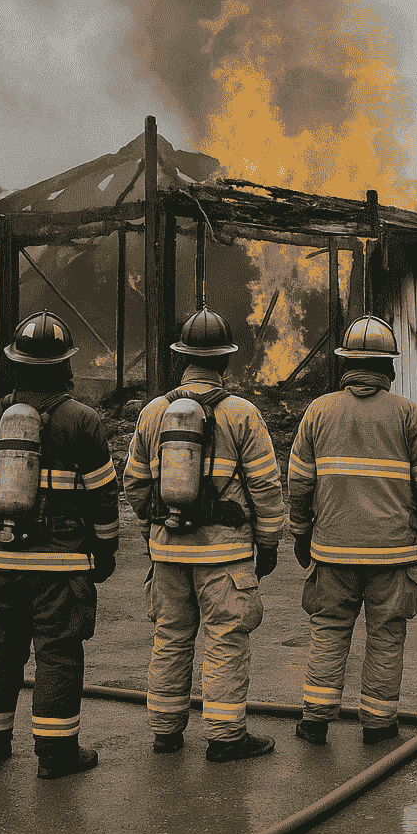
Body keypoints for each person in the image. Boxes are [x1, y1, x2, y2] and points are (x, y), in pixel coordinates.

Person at [0, 310, 120, 779]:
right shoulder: (83, 422)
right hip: (61, 566)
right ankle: (55, 755)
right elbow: (103, 499)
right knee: (59, 653)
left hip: (0, 559)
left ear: (16, 363)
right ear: (65, 366)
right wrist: (104, 553)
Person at [123, 308, 285, 762]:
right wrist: (269, 541)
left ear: (181, 358)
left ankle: (165, 731)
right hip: (225, 555)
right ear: (225, 362)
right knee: (225, 638)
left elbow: (134, 484)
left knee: (171, 638)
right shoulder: (242, 414)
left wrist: (152, 533)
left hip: (168, 553)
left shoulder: (154, 412)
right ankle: (225, 736)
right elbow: (265, 485)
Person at [288, 315, 417, 747]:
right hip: (393, 556)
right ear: (388, 368)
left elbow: (299, 482)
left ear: (345, 365)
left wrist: (300, 531)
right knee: (387, 635)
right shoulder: (407, 414)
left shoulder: (319, 412)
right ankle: (378, 725)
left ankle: (315, 722)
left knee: (329, 631)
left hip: (332, 551)